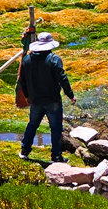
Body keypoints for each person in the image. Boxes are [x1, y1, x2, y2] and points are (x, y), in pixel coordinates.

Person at [17, 30, 77, 165]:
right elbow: (62, 79)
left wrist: (27, 96)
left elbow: (22, 80)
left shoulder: (27, 60)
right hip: (53, 100)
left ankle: (24, 151)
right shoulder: (54, 59)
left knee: (32, 125)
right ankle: (56, 156)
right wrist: (70, 95)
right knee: (55, 128)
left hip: (36, 100)